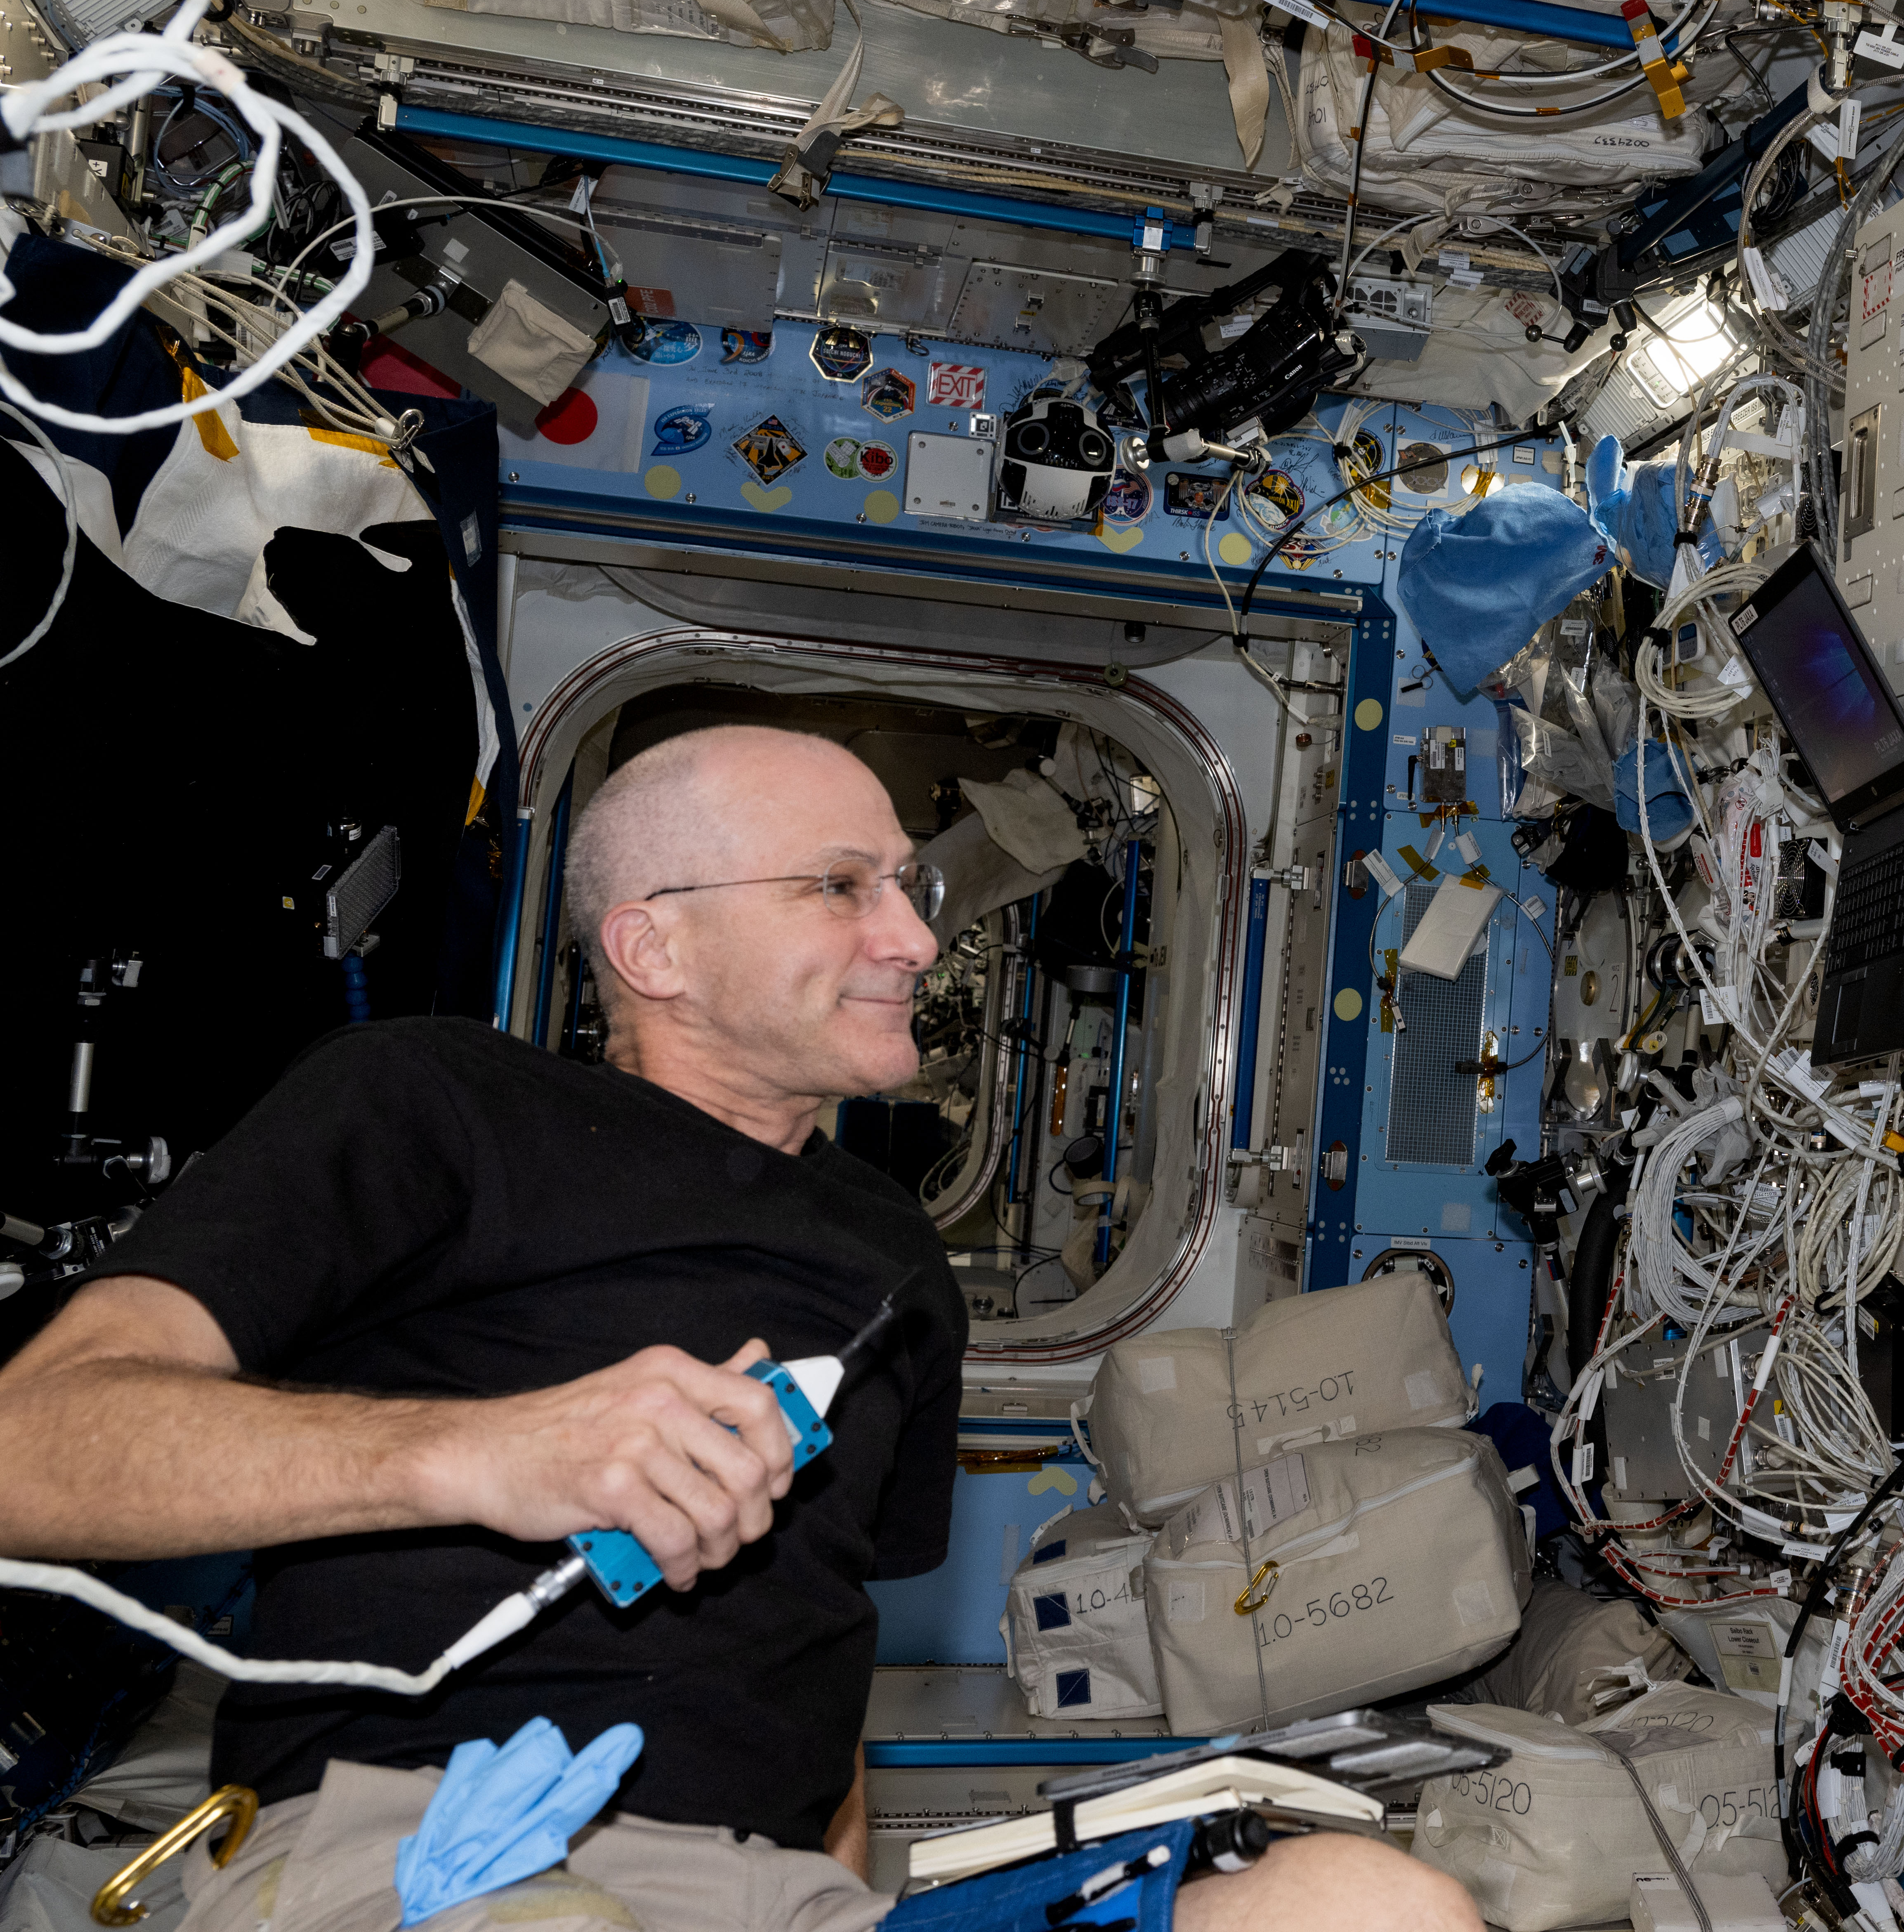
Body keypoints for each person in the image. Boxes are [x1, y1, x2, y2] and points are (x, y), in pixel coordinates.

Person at [0, 725, 1478, 1932]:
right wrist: (486, 1455)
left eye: (909, 886)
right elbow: (34, 1444)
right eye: (842, 887)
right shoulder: (432, 1101)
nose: (918, 936)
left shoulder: (895, 1252)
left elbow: (816, 1651)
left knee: (1371, 1905)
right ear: (655, 948)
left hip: (772, 1895)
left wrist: (836, 1890)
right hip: (424, 1846)